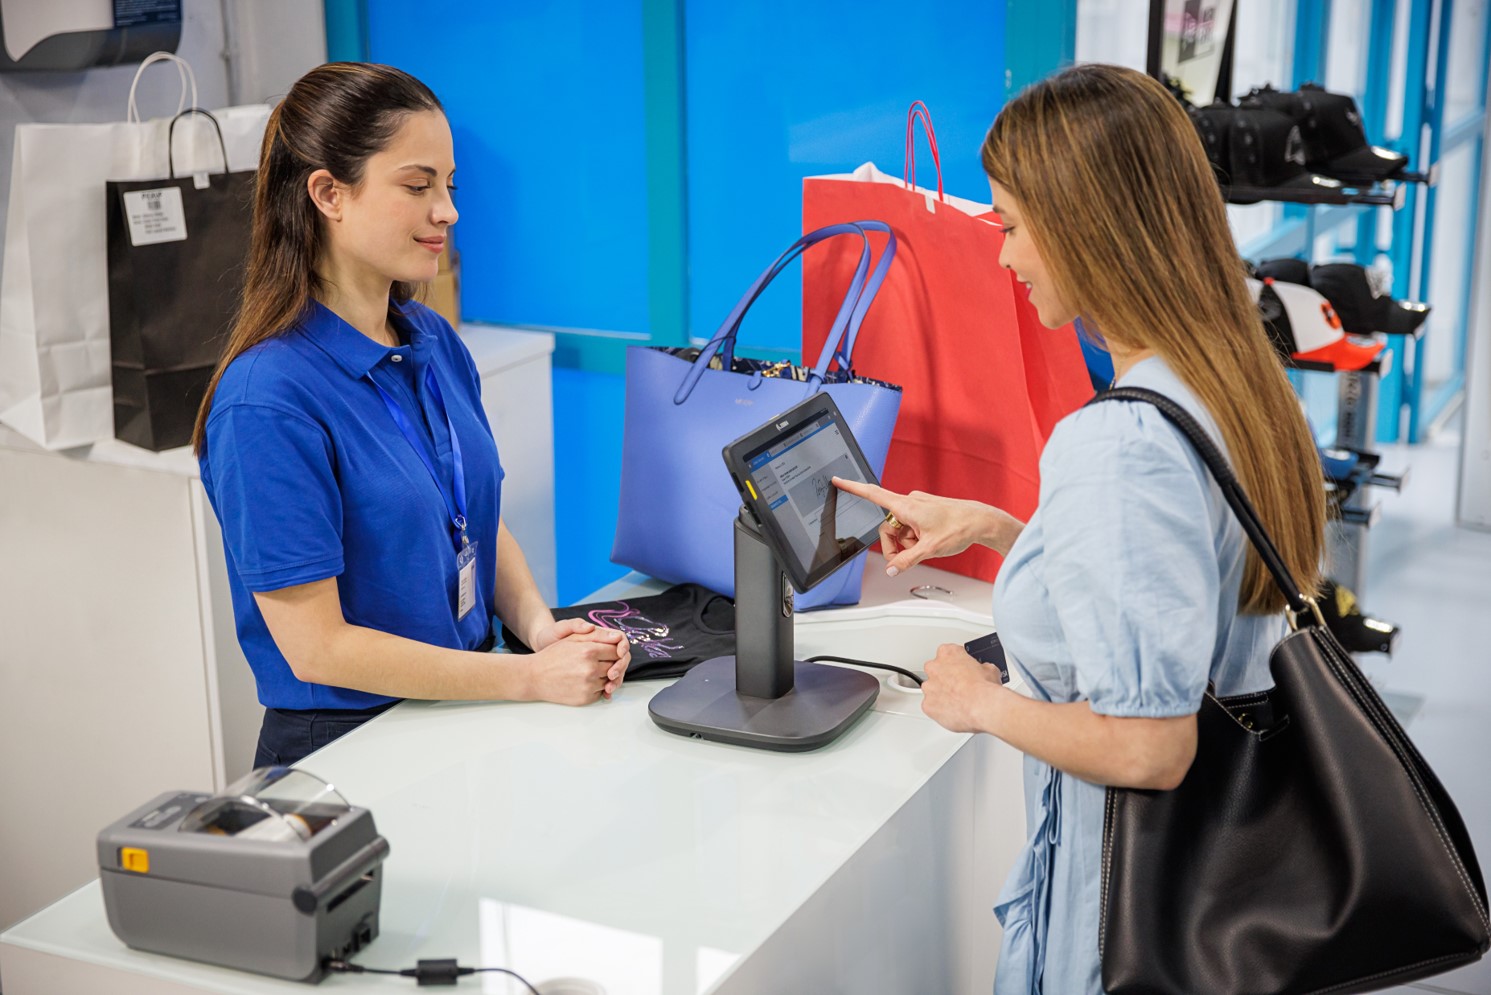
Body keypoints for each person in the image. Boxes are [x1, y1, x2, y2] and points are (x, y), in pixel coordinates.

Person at [835, 64, 1326, 993]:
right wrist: (1002, 526)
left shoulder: (1119, 441)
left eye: (1012, 226)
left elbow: (1149, 744)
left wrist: (976, 700)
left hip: (1121, 920)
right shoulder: (1233, 383)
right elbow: (1183, 584)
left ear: (1085, 228)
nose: (1003, 258)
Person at [192, 63, 629, 768]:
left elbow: (475, 521)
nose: (447, 210)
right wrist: (524, 678)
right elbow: (318, 646)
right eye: (417, 185)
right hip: (347, 751)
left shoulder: (432, 340)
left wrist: (541, 630)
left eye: (449, 186)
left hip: (460, 708)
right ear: (329, 194)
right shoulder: (266, 401)